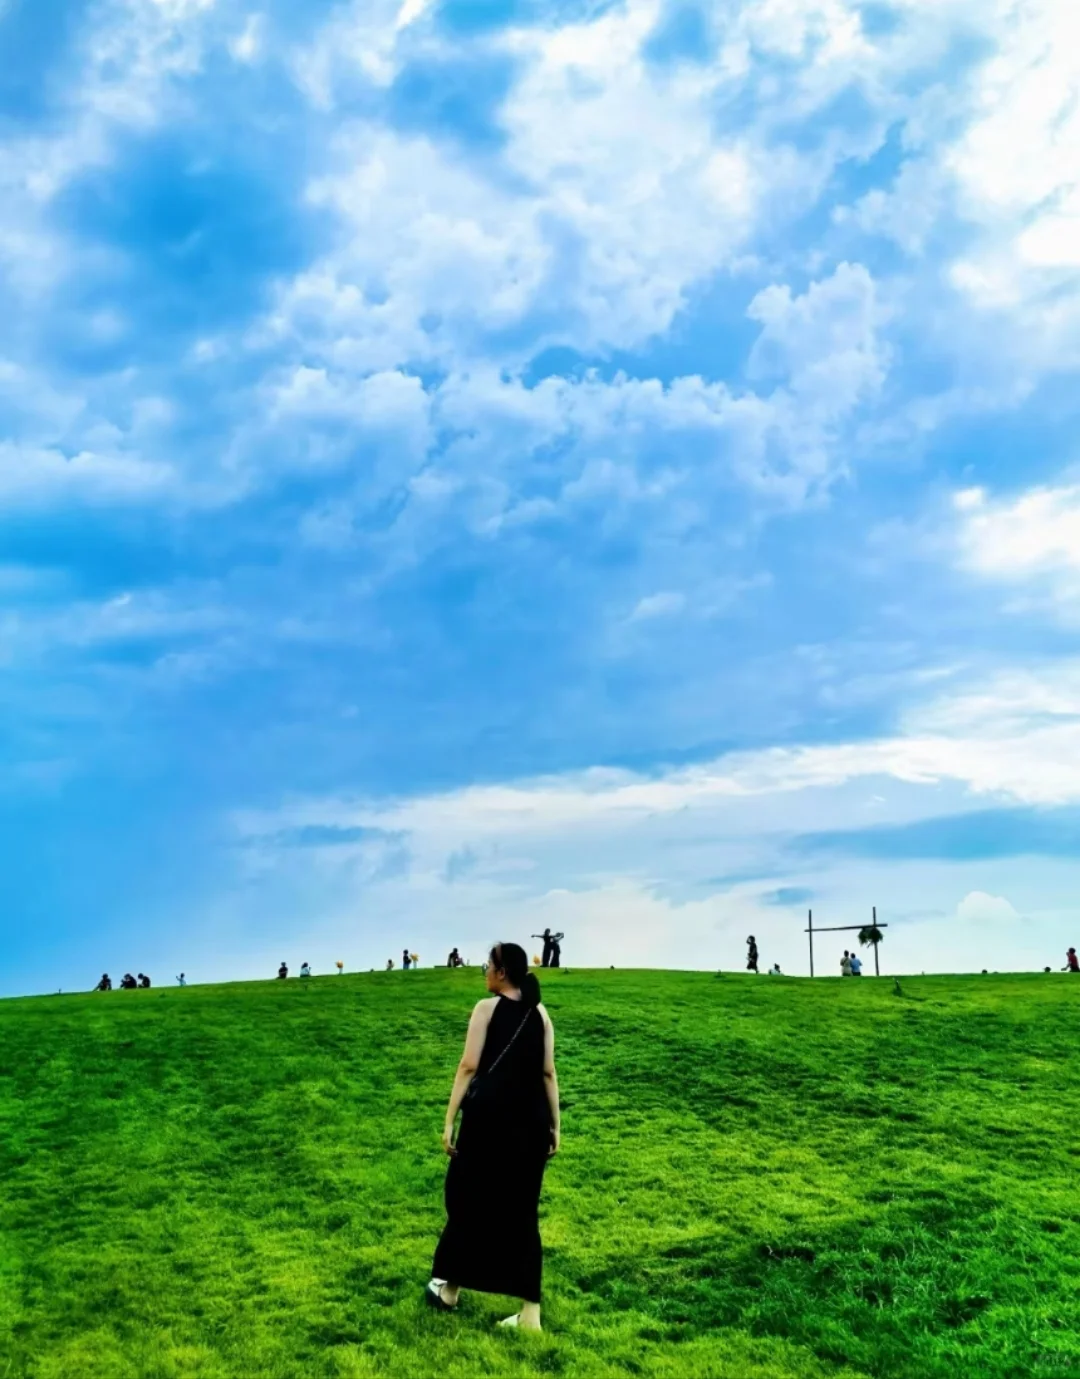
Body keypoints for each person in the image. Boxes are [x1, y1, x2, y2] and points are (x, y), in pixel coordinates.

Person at [428, 941, 559, 1331]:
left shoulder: (486, 1009)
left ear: (501, 973)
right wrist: (555, 1125)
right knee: (522, 1213)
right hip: (531, 1125)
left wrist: (449, 1119)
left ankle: (450, 1291)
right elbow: (548, 1073)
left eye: (488, 965)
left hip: (488, 1123)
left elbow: (468, 1066)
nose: (484, 970)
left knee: (467, 1201)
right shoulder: (540, 1013)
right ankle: (530, 1315)